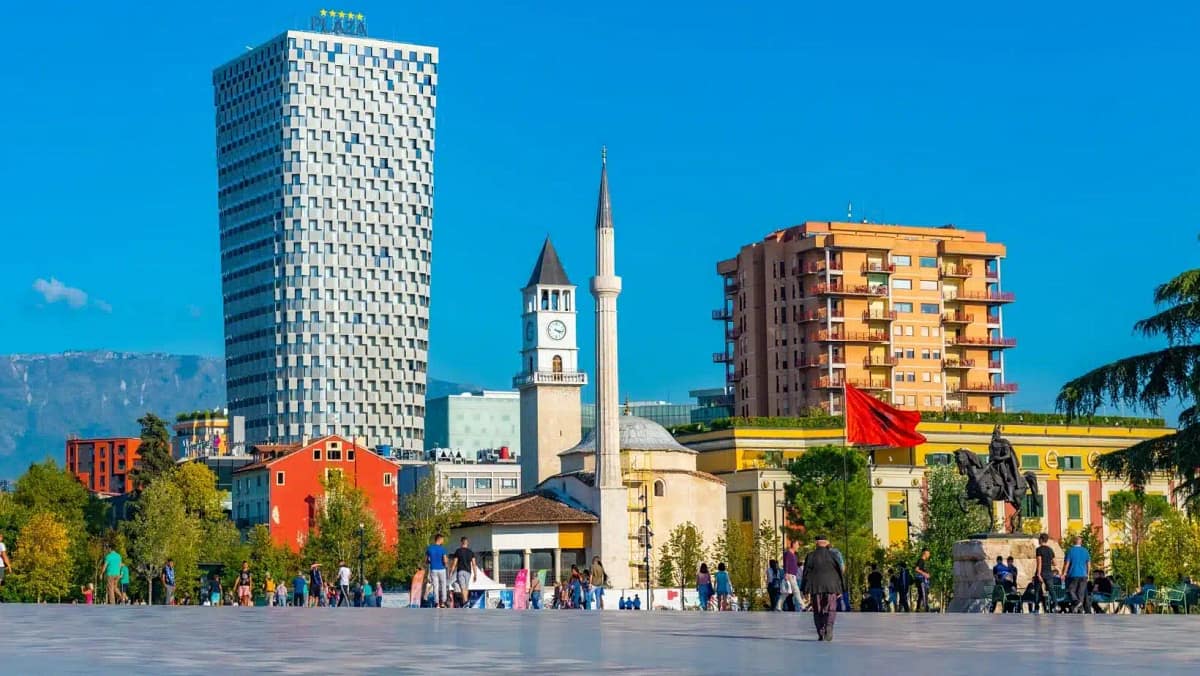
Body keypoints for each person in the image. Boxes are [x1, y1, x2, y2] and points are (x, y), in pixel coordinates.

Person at [802, 535, 846, 642]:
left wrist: (804, 589)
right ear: (826, 543)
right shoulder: (834, 555)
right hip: (832, 587)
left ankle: (821, 631)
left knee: (818, 610)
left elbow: (806, 573)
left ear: (816, 543)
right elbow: (839, 572)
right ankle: (829, 627)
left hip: (816, 587)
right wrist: (840, 589)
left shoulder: (810, 556)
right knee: (831, 608)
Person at [1060, 535, 1091, 613]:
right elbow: (1088, 564)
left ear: (1073, 542)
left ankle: (1077, 603)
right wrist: (1088, 574)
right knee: (1081, 593)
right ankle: (1080, 610)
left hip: (1073, 574)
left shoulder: (1070, 551)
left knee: (1071, 590)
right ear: (1081, 542)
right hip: (1083, 575)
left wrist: (1064, 573)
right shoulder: (1085, 551)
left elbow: (1067, 563)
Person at [449, 537, 478, 609]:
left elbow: (455, 563)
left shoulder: (458, 551)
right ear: (467, 543)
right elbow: (474, 564)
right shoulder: (471, 552)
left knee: (462, 587)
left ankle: (465, 602)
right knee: (466, 587)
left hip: (461, 571)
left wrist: (451, 572)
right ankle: (466, 602)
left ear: (461, 542)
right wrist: (475, 574)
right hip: (468, 572)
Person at [777, 540, 802, 612]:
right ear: (793, 544)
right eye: (797, 545)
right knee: (796, 590)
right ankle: (802, 605)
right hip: (790, 575)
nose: (798, 546)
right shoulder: (788, 553)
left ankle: (778, 606)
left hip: (793, 575)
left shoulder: (794, 554)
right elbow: (786, 563)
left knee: (786, 593)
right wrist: (786, 573)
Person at [425, 533, 449, 608]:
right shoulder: (442, 549)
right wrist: (446, 564)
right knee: (443, 585)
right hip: (441, 569)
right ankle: (443, 602)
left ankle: (436, 603)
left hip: (433, 569)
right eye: (442, 540)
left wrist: (430, 562)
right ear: (439, 539)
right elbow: (445, 560)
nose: (443, 541)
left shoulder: (429, 548)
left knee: (435, 586)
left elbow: (426, 560)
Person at [1033, 533, 1055, 614]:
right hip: (1049, 573)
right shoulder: (1050, 549)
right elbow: (1054, 562)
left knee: (1037, 591)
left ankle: (1036, 608)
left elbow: (1039, 562)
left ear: (1041, 539)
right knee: (1051, 589)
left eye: (1039, 539)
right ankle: (1055, 605)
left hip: (1041, 572)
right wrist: (1048, 562)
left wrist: (1038, 574)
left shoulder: (1039, 549)